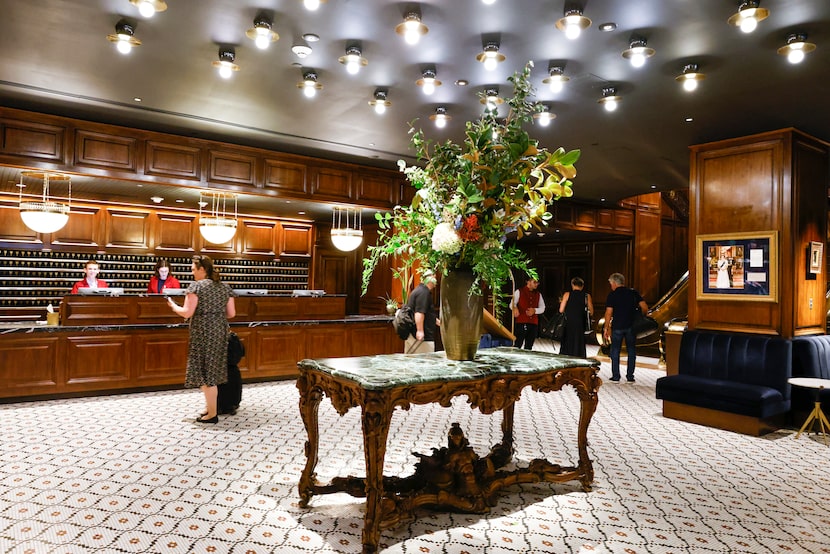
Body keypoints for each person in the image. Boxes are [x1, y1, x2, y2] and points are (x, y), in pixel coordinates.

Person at [167, 255, 236, 424]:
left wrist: (172, 305)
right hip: (219, 331)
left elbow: (187, 312)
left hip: (203, 332)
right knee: (213, 370)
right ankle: (210, 408)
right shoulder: (224, 287)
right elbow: (231, 313)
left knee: (204, 373)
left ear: (202, 269)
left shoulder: (196, 287)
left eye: (193, 269)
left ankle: (212, 414)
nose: (192, 272)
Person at [602, 273, 649, 383]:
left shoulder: (612, 295)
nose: (611, 286)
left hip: (617, 326)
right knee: (631, 351)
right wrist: (641, 317)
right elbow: (644, 307)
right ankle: (630, 376)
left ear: (614, 283)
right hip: (631, 326)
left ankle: (616, 376)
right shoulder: (633, 293)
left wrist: (606, 327)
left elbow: (609, 313)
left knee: (615, 351)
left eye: (610, 283)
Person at [558, 277, 594, 357]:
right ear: (582, 286)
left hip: (569, 322)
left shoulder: (567, 294)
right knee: (579, 341)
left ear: (572, 285)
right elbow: (591, 312)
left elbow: (561, 310)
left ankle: (566, 357)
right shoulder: (586, 296)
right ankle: (579, 357)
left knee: (568, 340)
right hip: (580, 323)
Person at [405, 271, 439, 354]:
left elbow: (427, 313)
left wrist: (440, 323)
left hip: (414, 335)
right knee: (424, 363)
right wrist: (420, 331)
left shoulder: (420, 290)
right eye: (434, 278)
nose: (436, 282)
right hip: (422, 338)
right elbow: (419, 312)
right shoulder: (424, 292)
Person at [511, 277, 545, 350]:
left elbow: (543, 308)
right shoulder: (519, 291)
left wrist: (535, 310)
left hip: (533, 323)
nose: (536, 284)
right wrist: (515, 308)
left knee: (529, 345)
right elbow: (512, 304)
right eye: (534, 282)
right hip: (521, 322)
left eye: (537, 282)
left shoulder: (538, 294)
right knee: (518, 343)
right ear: (528, 282)